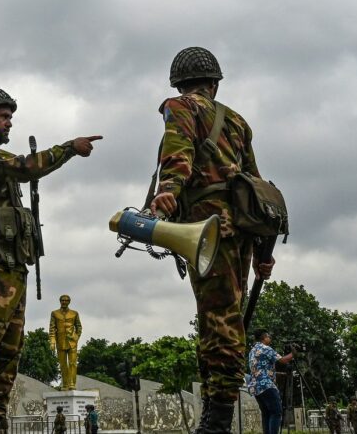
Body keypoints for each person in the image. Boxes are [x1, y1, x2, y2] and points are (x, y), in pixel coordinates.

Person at [0, 86, 102, 434]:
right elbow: (26, 166)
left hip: (10, 266)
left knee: (7, 350)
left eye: (10, 116)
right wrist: (68, 148)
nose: (9, 123)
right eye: (4, 116)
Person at [149, 46, 275, 434]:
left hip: (206, 230)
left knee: (218, 322)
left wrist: (168, 190)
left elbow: (178, 153)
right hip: (239, 231)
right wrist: (261, 253)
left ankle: (216, 422)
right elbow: (256, 187)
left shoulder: (180, 107)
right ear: (214, 84)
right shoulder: (237, 121)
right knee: (225, 319)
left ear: (179, 83)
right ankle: (216, 412)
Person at [245, 329, 294, 434]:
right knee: (276, 412)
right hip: (266, 385)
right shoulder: (266, 348)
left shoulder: (252, 351)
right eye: (268, 336)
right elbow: (283, 360)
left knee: (266, 413)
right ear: (264, 337)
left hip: (255, 387)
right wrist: (293, 353)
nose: (270, 338)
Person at [49, 294, 83, 390]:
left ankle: (72, 383)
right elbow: (52, 328)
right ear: (60, 301)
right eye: (62, 300)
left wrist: (76, 337)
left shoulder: (74, 313)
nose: (64, 302)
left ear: (69, 302)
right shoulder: (54, 313)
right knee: (63, 364)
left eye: (66, 300)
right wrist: (52, 341)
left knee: (72, 363)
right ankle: (65, 384)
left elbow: (79, 327)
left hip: (72, 342)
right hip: (60, 342)